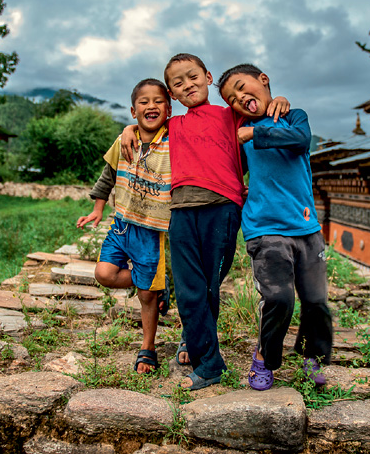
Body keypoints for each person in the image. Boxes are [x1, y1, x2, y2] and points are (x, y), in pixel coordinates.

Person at [122, 53, 289, 390]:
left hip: (223, 207)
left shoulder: (230, 115)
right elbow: (145, 123)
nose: (188, 85)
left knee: (210, 287)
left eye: (193, 77)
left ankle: (201, 353)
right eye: (178, 83)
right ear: (172, 94)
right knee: (188, 290)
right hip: (181, 211)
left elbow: (261, 110)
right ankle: (209, 364)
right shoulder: (174, 124)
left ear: (208, 77)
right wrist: (129, 127)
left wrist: (280, 100)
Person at [217, 63, 333, 390]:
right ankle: (265, 358)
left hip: (306, 228)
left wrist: (258, 131)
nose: (239, 97)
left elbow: (301, 140)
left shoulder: (293, 117)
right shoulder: (239, 129)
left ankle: (313, 360)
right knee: (280, 298)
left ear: (263, 80)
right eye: (231, 98)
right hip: (264, 229)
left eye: (243, 87)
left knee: (316, 302)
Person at [77, 78, 172, 375]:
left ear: (168, 108)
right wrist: (97, 208)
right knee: (104, 274)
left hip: (151, 230)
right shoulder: (123, 141)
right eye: (144, 102)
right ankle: (157, 286)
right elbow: (108, 175)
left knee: (145, 297)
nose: (151, 106)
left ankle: (148, 348)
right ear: (133, 111)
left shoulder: (174, 142)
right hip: (121, 225)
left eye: (158, 101)